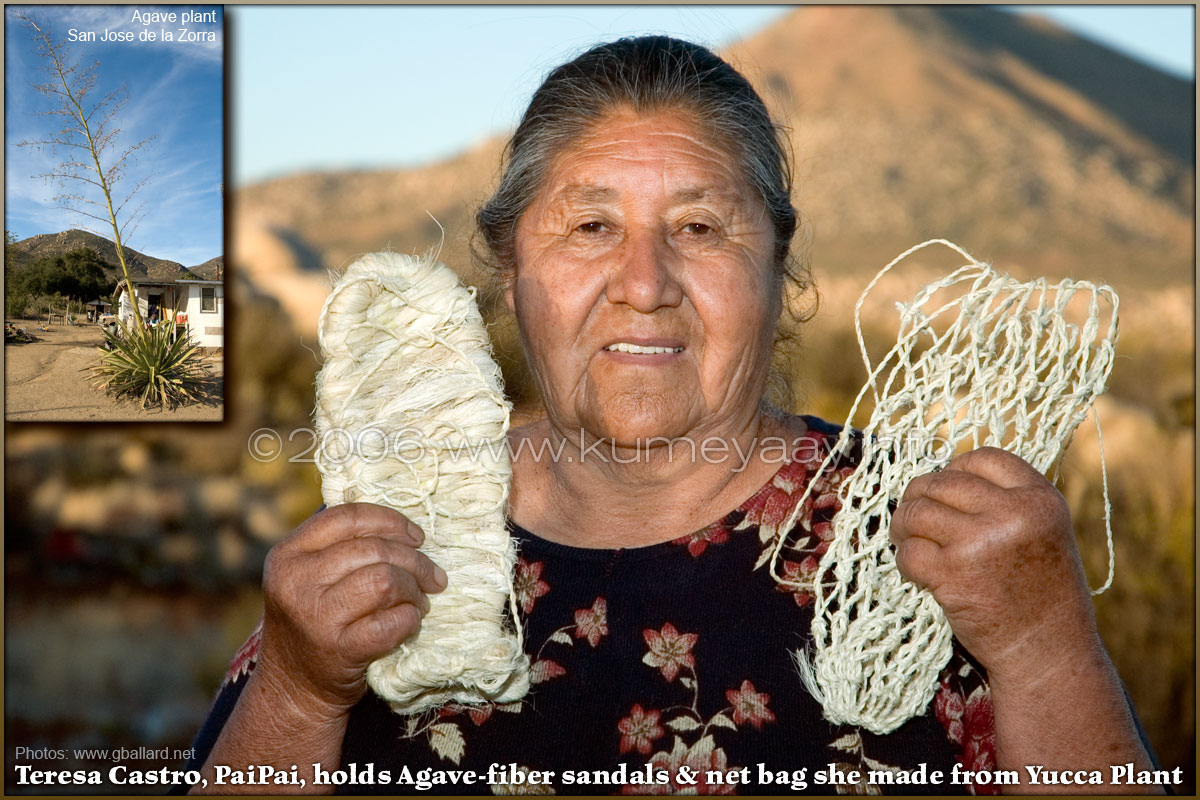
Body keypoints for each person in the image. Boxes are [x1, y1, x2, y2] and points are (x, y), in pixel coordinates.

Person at [188, 36, 1158, 795]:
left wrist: (1042, 645)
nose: (644, 284)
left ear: (776, 269)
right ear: (512, 267)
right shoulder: (397, 520)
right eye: (590, 226)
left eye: (699, 227)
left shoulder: (924, 551)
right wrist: (298, 690)